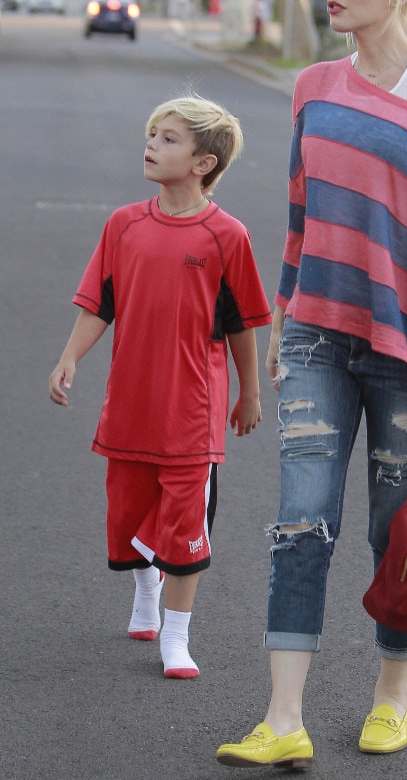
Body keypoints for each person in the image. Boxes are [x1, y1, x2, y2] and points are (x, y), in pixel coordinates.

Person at [216, 0, 407, 769]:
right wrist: (285, 315)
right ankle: (283, 714)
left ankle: (392, 693)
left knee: (395, 529)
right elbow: (301, 215)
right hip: (316, 339)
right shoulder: (313, 84)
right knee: (301, 521)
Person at [49, 95, 272, 679]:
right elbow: (102, 303)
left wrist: (248, 393)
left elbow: (241, 323)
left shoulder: (227, 236)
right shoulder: (123, 224)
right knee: (128, 515)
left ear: (204, 162)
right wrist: (69, 357)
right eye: (152, 134)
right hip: (129, 405)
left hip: (191, 412)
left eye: (169, 139)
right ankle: (145, 593)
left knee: (183, 522)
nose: (151, 145)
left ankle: (178, 635)